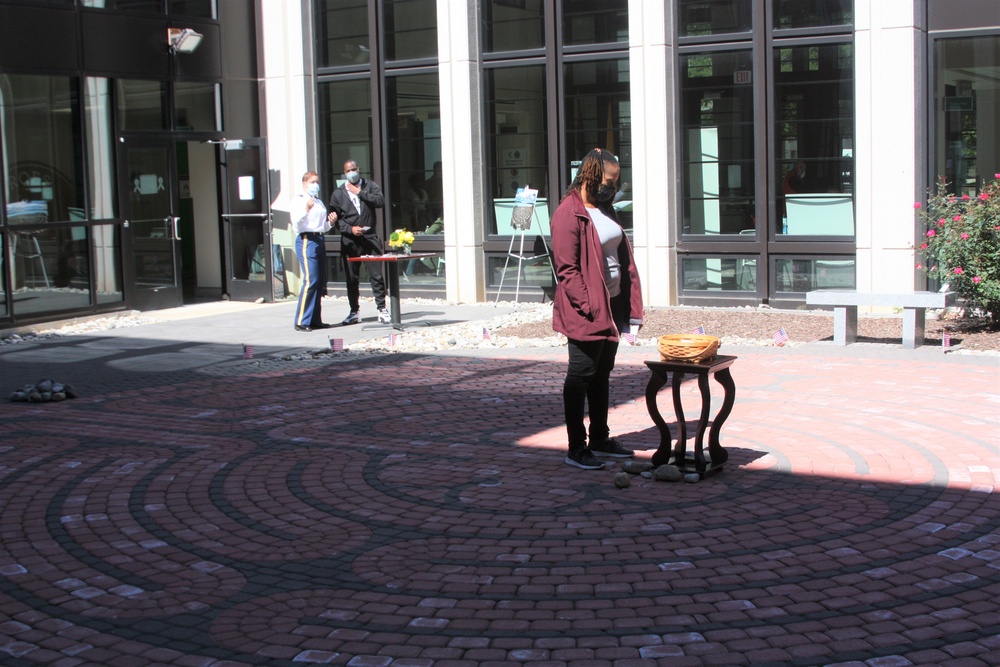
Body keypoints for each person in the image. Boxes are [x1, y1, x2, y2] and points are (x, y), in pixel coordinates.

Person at [551, 148, 644, 470]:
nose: (612, 188)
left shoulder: (604, 209)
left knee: (602, 374)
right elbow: (567, 270)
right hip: (586, 311)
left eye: (616, 183)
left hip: (612, 304)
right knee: (580, 376)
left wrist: (625, 306)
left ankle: (600, 438)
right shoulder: (569, 213)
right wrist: (590, 306)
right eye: (608, 181)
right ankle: (576, 447)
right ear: (591, 175)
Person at [328, 159, 389, 325]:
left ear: (358, 169)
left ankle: (382, 309)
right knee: (352, 277)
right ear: (344, 173)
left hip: (370, 237)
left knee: (376, 275)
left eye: (353, 169)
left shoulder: (370, 186)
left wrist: (360, 192)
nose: (351, 173)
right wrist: (350, 229)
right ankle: (354, 311)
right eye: (348, 171)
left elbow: (380, 202)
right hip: (350, 240)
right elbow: (336, 218)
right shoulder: (338, 193)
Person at [290, 171, 337, 332]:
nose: (315, 185)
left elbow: (321, 226)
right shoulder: (299, 200)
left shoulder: (318, 201)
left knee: (318, 281)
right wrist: (305, 209)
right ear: (304, 184)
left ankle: (314, 319)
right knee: (311, 279)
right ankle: (301, 320)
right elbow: (296, 223)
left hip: (319, 238)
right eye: (312, 182)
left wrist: (330, 223)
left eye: (317, 182)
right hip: (306, 239)